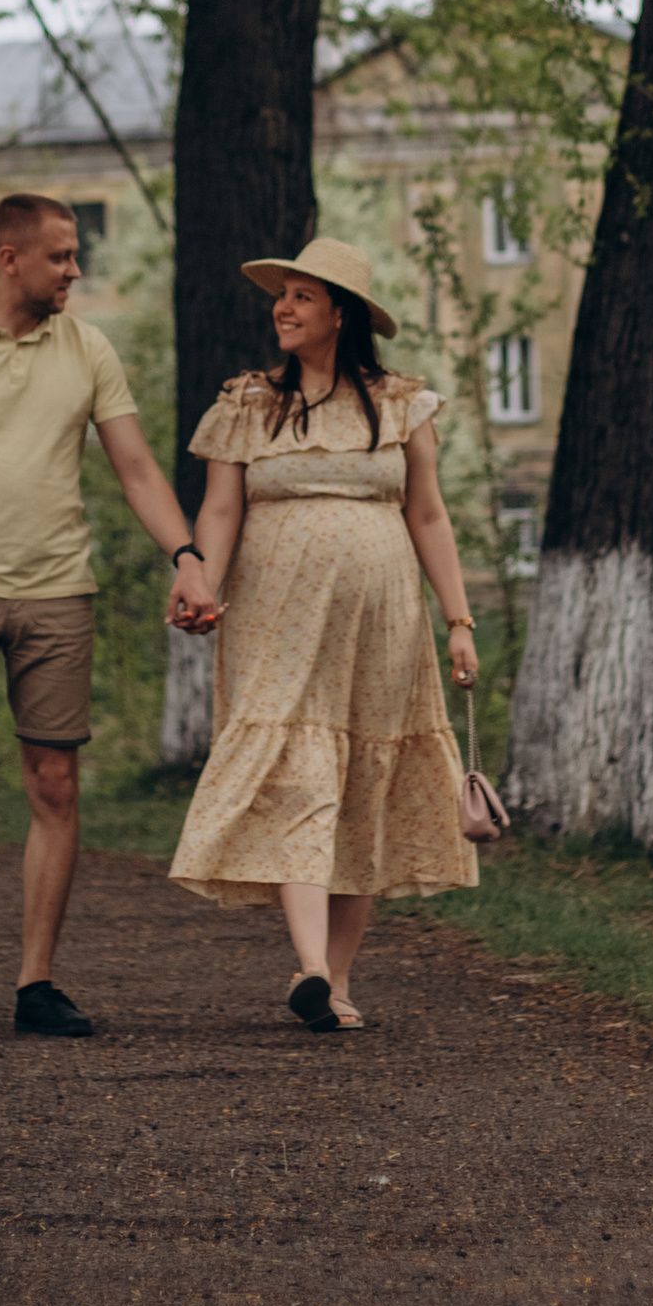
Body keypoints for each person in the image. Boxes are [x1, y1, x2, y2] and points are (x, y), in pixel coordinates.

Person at [0, 192, 219, 1040]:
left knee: (54, 783)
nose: (75, 269)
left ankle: (37, 983)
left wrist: (186, 557)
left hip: (60, 590)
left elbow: (136, 468)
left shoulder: (89, 348)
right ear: (9, 259)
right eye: (61, 256)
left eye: (74, 255)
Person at [164, 236, 481, 1032]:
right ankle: (309, 966)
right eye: (283, 295)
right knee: (297, 778)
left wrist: (459, 621)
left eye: (302, 296)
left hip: (382, 627)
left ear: (342, 314)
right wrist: (201, 581)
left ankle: (334, 982)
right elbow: (222, 509)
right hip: (276, 623)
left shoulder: (402, 404)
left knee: (363, 786)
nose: (284, 307)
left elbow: (428, 516)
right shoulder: (249, 403)